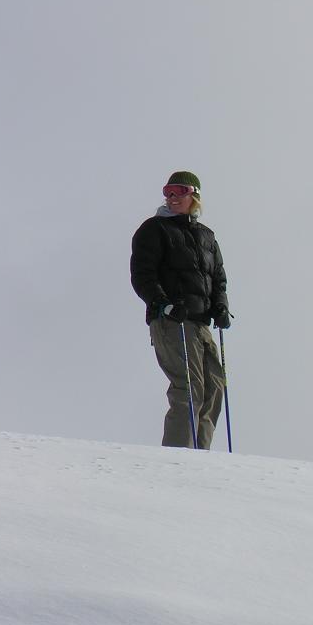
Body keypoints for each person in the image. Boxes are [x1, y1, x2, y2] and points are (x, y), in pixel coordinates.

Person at [130, 171, 230, 449]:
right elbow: (142, 274)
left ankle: (200, 453)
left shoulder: (206, 236)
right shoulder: (154, 229)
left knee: (213, 388)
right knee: (189, 387)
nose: (172, 198)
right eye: (168, 192)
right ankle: (180, 457)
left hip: (200, 322)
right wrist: (163, 302)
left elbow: (218, 277)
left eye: (178, 192)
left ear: (193, 195)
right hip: (171, 319)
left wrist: (220, 305)